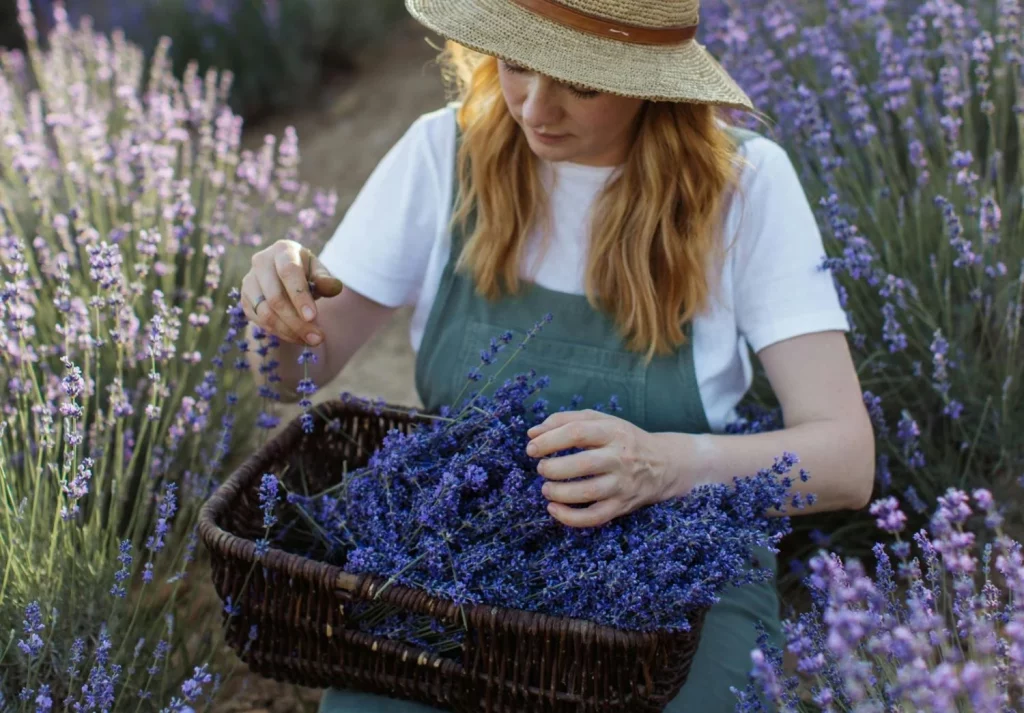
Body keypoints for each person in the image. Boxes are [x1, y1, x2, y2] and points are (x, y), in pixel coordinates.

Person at [241, 0, 876, 710]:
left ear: (651, 81)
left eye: (581, 83)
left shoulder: (744, 186)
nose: (535, 109)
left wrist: (663, 466)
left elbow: (847, 459)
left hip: (679, 570)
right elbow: (291, 376)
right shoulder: (442, 153)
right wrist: (276, 314)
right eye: (516, 64)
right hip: (458, 555)